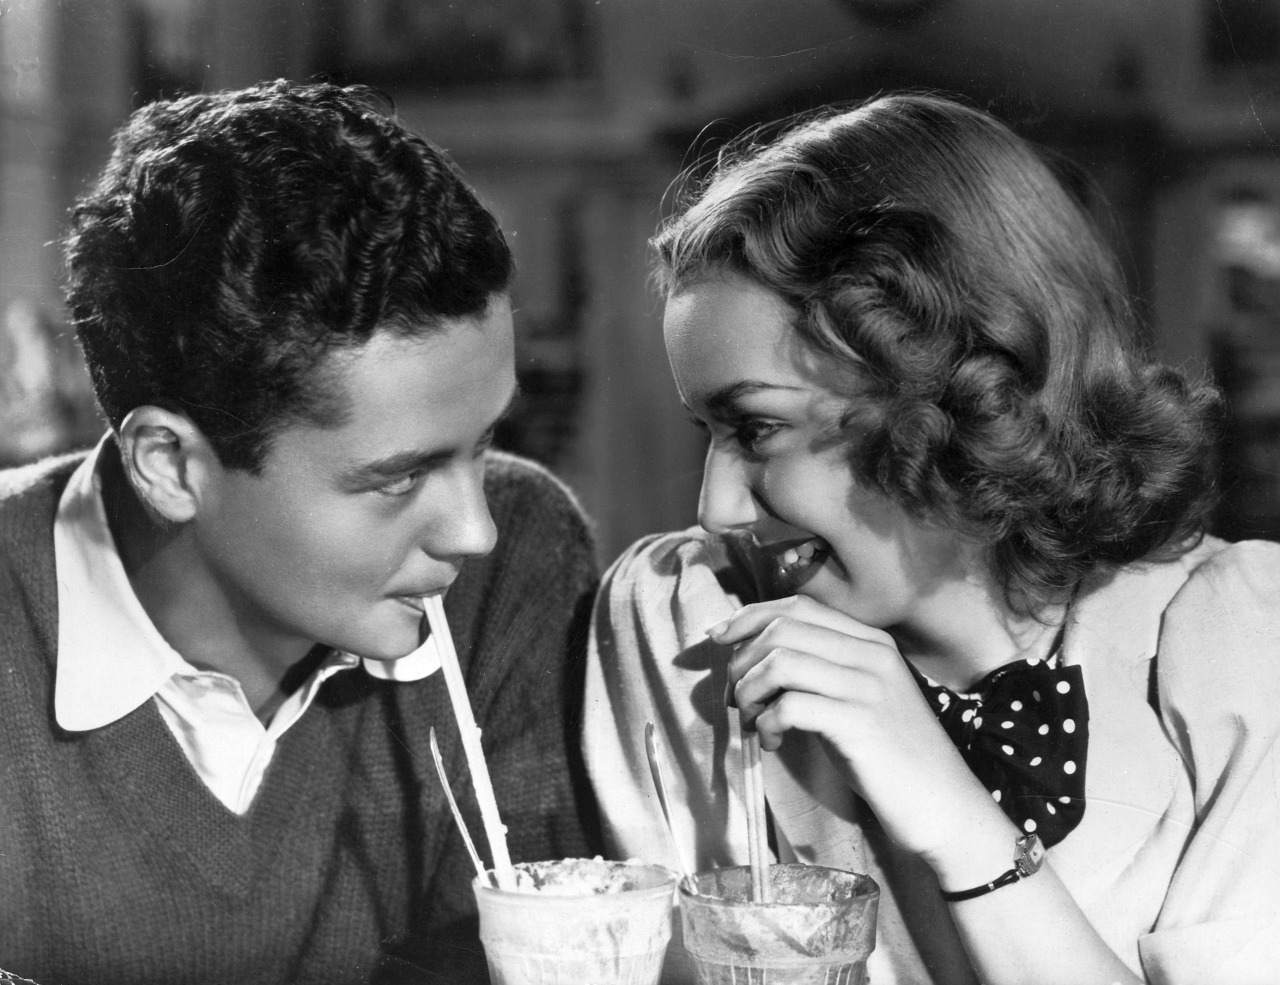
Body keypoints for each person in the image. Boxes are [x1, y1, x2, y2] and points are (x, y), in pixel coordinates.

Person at [584, 92, 1280, 985]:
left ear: (952, 392)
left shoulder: (1244, 648)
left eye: (757, 428)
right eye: (706, 432)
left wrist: (958, 821)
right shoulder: (689, 626)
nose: (716, 509)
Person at [0, 80, 600, 985]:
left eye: (483, 443)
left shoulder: (523, 551)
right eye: (399, 477)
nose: (474, 530)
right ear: (170, 464)